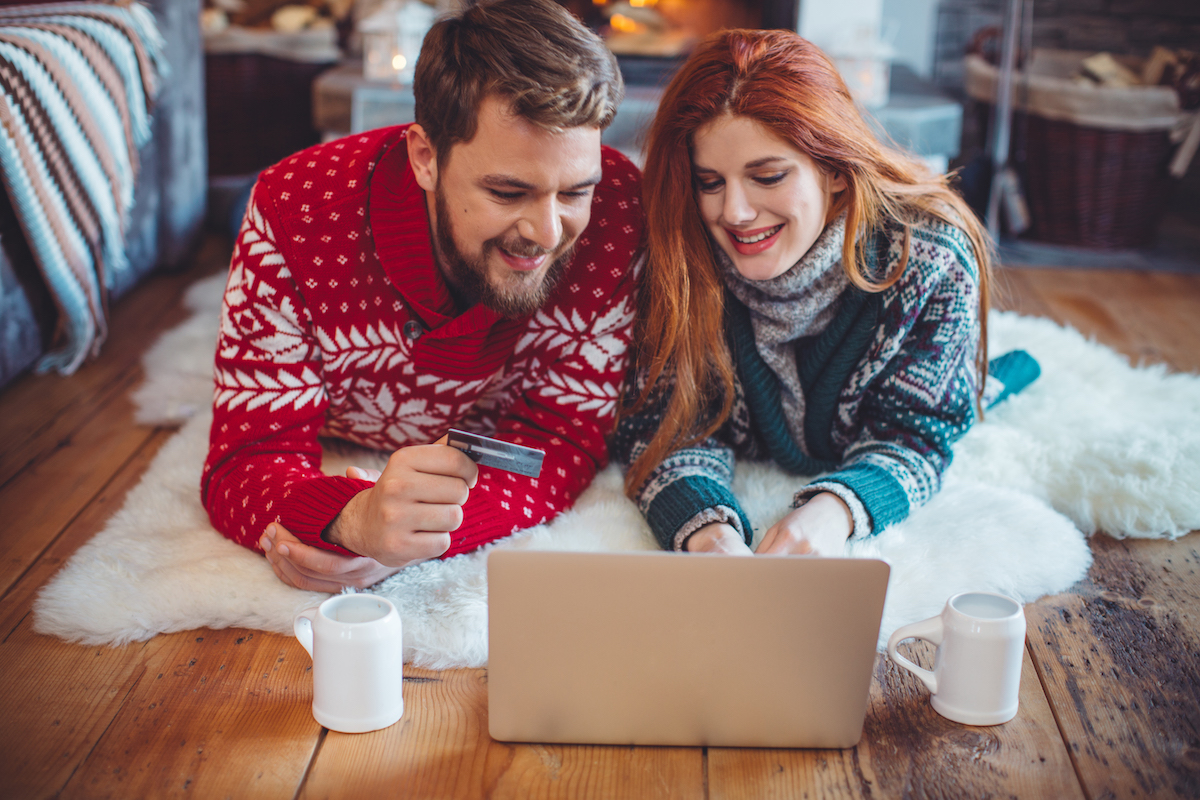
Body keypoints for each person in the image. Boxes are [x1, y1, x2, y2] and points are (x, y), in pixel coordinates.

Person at [202, 0, 643, 592]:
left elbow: (560, 437)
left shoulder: (619, 216)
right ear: (426, 158)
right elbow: (245, 457)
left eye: (574, 191)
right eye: (508, 191)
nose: (548, 233)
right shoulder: (290, 211)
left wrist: (421, 535)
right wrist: (345, 519)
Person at [612, 29, 1038, 557]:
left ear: (835, 170)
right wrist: (705, 530)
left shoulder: (933, 257)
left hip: (894, 414)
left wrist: (835, 510)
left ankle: (1000, 373)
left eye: (767, 176)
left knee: (971, 396)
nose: (734, 213)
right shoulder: (679, 249)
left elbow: (917, 438)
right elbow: (661, 427)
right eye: (711, 182)